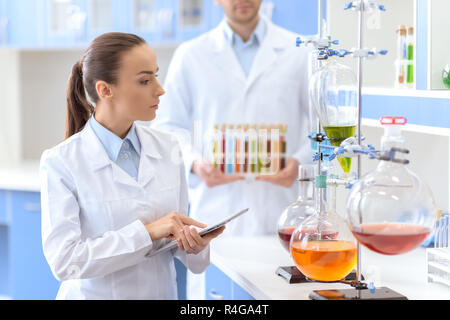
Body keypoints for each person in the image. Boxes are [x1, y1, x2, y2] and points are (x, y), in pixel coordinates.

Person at [40, 32, 224, 300]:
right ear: (105, 90)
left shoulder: (169, 148)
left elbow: (187, 255)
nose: (160, 89)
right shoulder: (61, 162)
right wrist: (148, 232)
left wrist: (194, 245)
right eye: (145, 80)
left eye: (156, 76)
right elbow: (65, 261)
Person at [152, 0, 313, 299]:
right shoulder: (191, 55)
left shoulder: (299, 51)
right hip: (215, 215)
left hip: (280, 216)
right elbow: (167, 127)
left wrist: (299, 165)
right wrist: (195, 162)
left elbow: (321, 127)